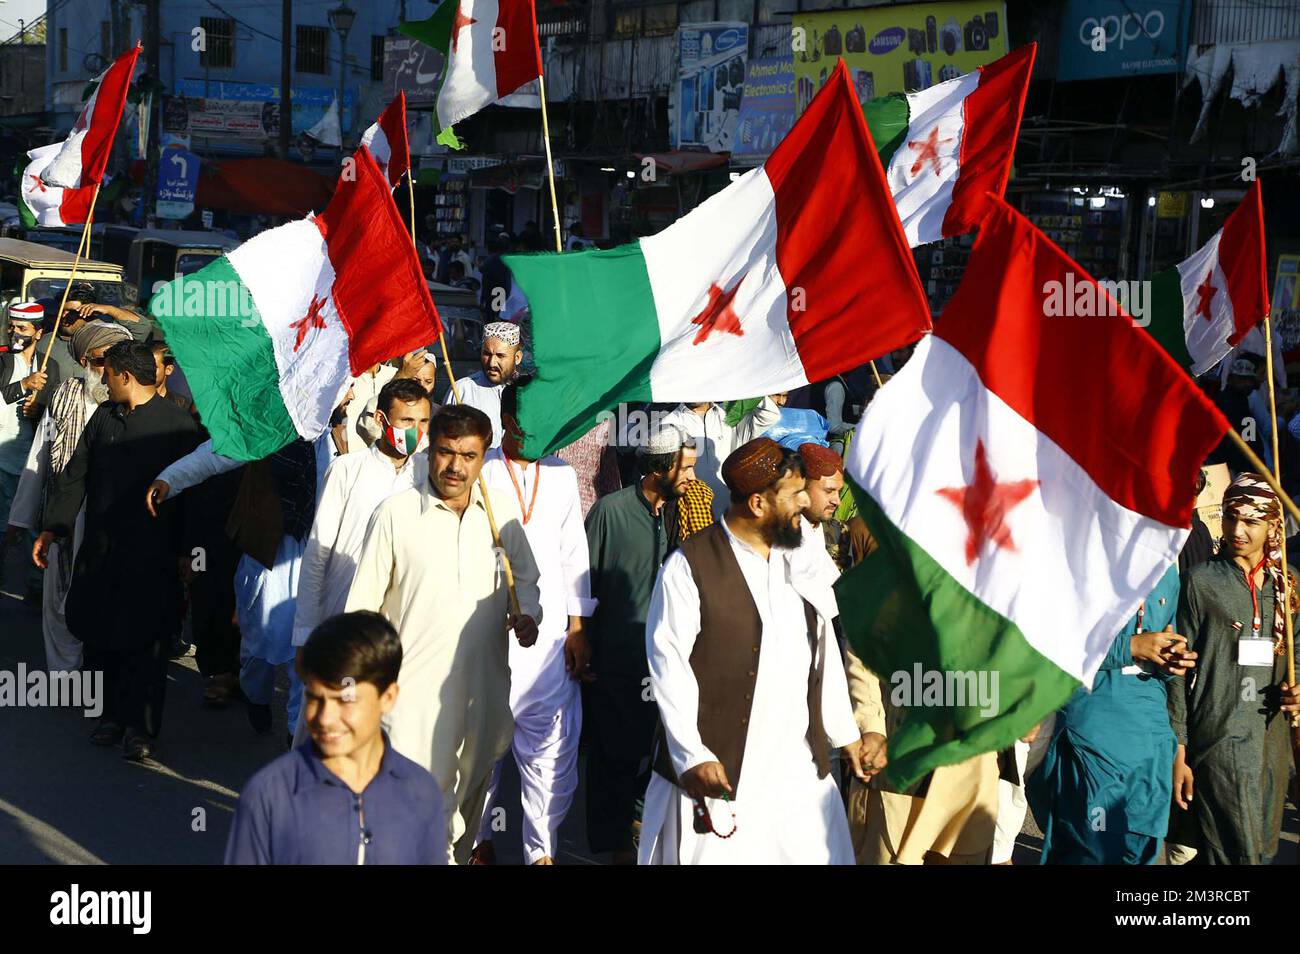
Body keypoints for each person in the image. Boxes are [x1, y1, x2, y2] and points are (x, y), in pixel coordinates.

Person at [639, 438, 867, 863]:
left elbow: (821, 650)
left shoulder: (802, 558)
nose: (805, 502)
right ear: (759, 504)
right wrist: (692, 754)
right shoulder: (690, 566)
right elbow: (668, 665)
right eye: (794, 494)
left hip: (797, 771)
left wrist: (846, 733)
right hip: (722, 768)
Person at [344, 404, 542, 864]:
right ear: (430, 451)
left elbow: (527, 578)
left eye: (469, 456)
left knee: (467, 807)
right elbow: (361, 610)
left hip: (483, 692)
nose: (456, 466)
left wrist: (527, 613)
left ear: (484, 455)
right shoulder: (395, 514)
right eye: (446, 452)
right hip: (412, 698)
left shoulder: (498, 516)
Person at [35, 340, 200, 761]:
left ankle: (139, 728)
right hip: (102, 548)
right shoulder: (105, 418)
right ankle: (108, 717)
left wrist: (188, 553)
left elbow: (195, 498)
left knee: (145, 642)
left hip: (153, 555)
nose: (103, 382)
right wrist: (53, 529)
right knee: (100, 632)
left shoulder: (178, 427)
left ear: (124, 375)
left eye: (107, 374)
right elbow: (75, 476)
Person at [473, 378, 597, 864]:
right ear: (505, 420)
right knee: (484, 746)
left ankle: (540, 852)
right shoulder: (481, 473)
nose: (539, 429)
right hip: (488, 632)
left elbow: (574, 552)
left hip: (547, 642)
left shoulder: (562, 474)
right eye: (529, 421)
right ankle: (477, 840)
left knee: (549, 753)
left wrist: (578, 627)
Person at [224, 611, 447, 865]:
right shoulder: (268, 796)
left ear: (388, 697)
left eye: (345, 700)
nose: (325, 718)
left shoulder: (421, 793)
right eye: (314, 698)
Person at [148, 435, 323, 738]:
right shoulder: (269, 425)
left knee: (310, 649)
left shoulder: (353, 433)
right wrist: (170, 479)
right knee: (264, 639)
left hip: (324, 556)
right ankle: (255, 692)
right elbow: (217, 453)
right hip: (272, 549)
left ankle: (297, 730)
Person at [581, 424, 703, 863]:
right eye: (685, 468)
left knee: (657, 759)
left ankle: (644, 834)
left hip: (667, 665)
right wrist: (583, 643)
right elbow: (585, 585)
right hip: (615, 659)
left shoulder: (684, 514)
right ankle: (612, 848)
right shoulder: (610, 513)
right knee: (611, 759)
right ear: (658, 468)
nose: (691, 476)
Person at [1169, 472, 1300, 864]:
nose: (1237, 529)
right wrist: (1179, 750)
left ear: (1273, 525)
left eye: (1250, 521)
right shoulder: (1200, 581)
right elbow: (1179, 671)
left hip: (1272, 742)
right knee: (1231, 851)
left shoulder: (1288, 586)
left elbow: (1298, 652)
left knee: (1261, 848)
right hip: (1218, 737)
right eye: (1230, 517)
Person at [1028, 565, 1196, 864]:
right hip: (1093, 734)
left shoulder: (1167, 565)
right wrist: (1129, 646)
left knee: (1139, 852)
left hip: (1151, 743)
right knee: (1090, 852)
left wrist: (1172, 662)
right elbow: (1047, 642)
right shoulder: (1084, 550)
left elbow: (1166, 639)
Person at [8, 320, 129, 670]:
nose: (107, 369)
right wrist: (21, 517)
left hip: (108, 517)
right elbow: (40, 457)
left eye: (114, 360)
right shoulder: (63, 395)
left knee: (104, 598)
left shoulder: (131, 403)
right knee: (59, 598)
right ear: (84, 360)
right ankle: (65, 677)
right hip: (64, 513)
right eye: (100, 360)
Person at [293, 379, 431, 655]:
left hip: (401, 623)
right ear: (381, 419)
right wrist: (305, 631)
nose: (416, 430)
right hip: (341, 611)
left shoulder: (428, 476)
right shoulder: (347, 470)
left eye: (424, 421)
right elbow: (318, 552)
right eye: (406, 420)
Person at [2, 301, 60, 599]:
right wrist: (23, 385)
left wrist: (39, 409)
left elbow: (56, 410)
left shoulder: (50, 365)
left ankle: (37, 588)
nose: (15, 332)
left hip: (33, 458)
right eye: (12, 326)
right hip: (1, 456)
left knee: (33, 523)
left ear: (38, 332)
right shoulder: (2, 360)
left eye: (22, 328)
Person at [658, 396, 781, 517]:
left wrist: (742, 384)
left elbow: (770, 415)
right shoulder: (669, 423)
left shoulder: (729, 414)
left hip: (731, 511)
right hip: (691, 511)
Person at [443, 322, 521, 448]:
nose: (492, 363)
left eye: (500, 356)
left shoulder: (528, 391)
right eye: (487, 354)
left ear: (517, 357)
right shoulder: (463, 390)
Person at [478, 232, 514, 318]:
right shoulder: (507, 261)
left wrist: (482, 299)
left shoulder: (489, 261)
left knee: (493, 319)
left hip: (493, 294)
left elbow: (484, 280)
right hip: (501, 293)